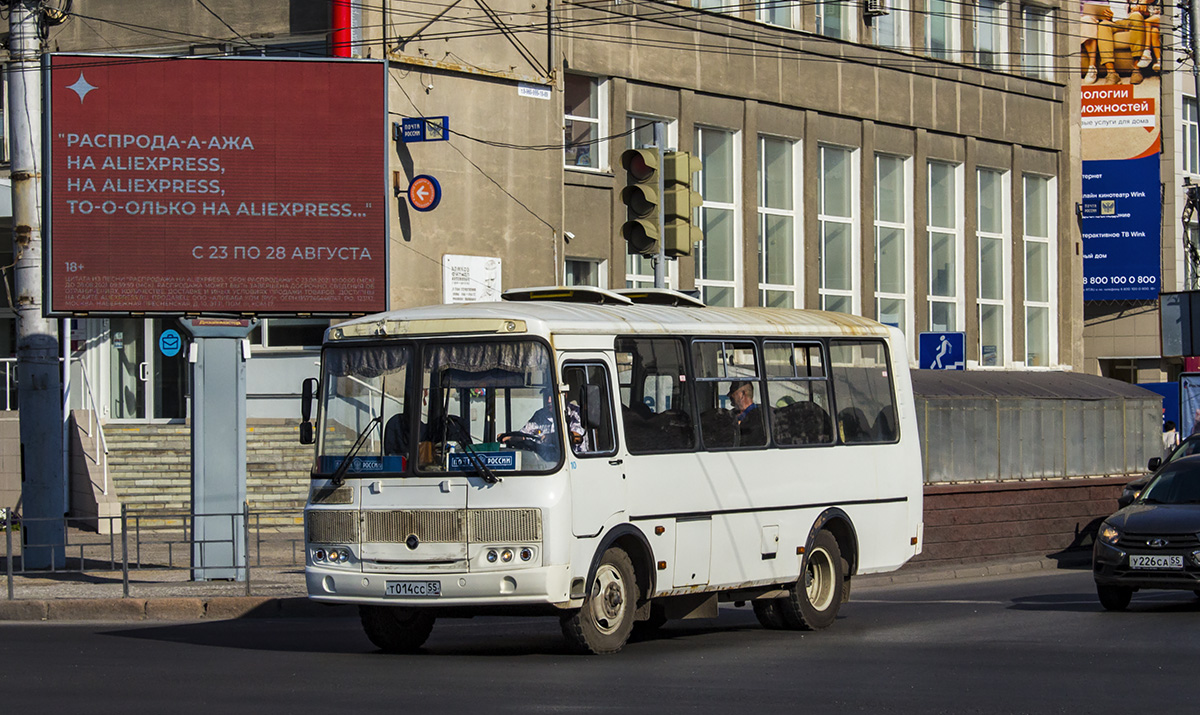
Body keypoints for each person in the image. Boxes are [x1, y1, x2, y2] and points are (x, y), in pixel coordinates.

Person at [728, 380, 766, 446]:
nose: (731, 401)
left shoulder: (758, 417)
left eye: (732, 396)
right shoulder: (734, 415)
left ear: (741, 394)